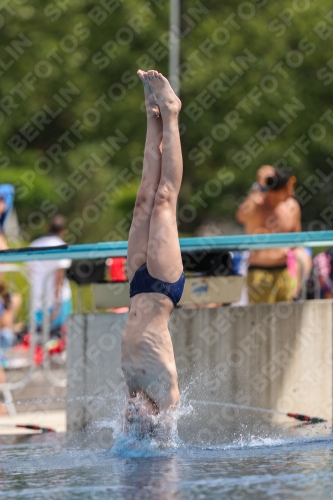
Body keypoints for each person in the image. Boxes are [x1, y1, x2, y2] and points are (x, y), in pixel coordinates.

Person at [121, 70, 184, 439]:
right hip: (161, 285)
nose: (130, 414)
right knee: (164, 200)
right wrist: (163, 429)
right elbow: (169, 439)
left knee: (145, 197)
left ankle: (152, 115)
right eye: (135, 416)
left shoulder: (133, 392)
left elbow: (127, 431)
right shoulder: (166, 394)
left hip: (135, 284)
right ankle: (172, 113)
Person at [236, 165, 301, 304]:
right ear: (273, 193)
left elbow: (296, 243)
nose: (291, 192)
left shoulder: (292, 207)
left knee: (286, 319)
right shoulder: (257, 204)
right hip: (259, 271)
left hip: (284, 270)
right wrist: (258, 185)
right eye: (286, 189)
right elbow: (241, 216)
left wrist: (296, 277)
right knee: (260, 320)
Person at [28, 215, 72, 336]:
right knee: (59, 339)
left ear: (47, 227)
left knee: (38, 338)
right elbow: (59, 277)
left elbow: (30, 271)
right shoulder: (61, 246)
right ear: (63, 230)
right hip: (56, 298)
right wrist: (57, 304)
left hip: (38, 297)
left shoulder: (34, 244)